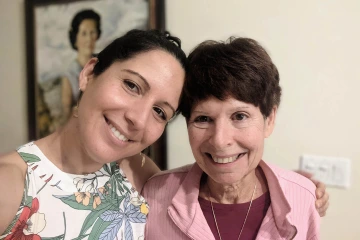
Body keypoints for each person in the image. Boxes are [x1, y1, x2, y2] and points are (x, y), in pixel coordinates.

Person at [0, 29, 186, 240]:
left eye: (159, 112)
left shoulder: (141, 176)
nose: (139, 119)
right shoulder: (10, 183)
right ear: (88, 75)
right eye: (131, 85)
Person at [143, 37, 323, 239]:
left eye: (240, 116)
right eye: (203, 119)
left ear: (269, 119)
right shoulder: (152, 197)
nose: (220, 140)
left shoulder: (303, 197)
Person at [61, 9, 102, 124]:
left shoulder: (104, 62)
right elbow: (66, 115)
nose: (89, 39)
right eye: (84, 33)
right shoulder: (69, 74)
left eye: (92, 32)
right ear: (75, 38)